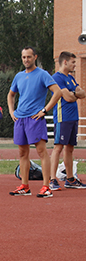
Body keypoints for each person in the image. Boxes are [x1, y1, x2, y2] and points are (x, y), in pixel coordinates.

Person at [7, 46, 62, 198]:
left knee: (41, 152)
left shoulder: (43, 74)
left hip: (35, 118)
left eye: (29, 57)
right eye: (24, 57)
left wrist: (45, 110)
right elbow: (10, 95)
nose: (26, 60)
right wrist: (12, 112)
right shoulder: (18, 76)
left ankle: (46, 186)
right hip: (20, 119)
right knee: (22, 153)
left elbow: (57, 92)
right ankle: (25, 186)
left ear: (35, 57)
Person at [49, 51, 86, 190]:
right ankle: (52, 179)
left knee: (70, 148)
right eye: (73, 62)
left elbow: (82, 93)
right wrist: (74, 94)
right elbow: (68, 98)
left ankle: (70, 179)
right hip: (62, 118)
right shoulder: (56, 78)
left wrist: (73, 93)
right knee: (58, 147)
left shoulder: (70, 78)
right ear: (65, 62)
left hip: (73, 118)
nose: (75, 65)